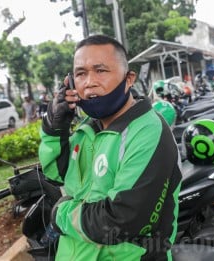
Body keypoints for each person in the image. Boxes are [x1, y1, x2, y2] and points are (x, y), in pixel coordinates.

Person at [39, 34, 182, 260]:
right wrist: (55, 127)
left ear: (129, 79)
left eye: (101, 70)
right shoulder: (87, 128)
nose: (89, 82)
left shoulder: (147, 131)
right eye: (80, 74)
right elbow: (55, 174)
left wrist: (61, 214)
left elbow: (122, 220)